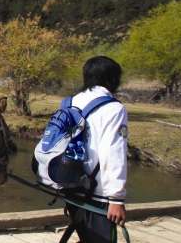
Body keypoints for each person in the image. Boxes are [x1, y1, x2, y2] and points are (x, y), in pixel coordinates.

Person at [64, 56, 128, 242]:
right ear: (111, 79)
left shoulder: (70, 102)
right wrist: (116, 199)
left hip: (70, 186)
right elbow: (113, 152)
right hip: (97, 194)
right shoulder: (114, 109)